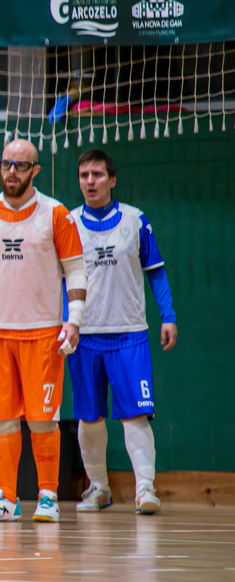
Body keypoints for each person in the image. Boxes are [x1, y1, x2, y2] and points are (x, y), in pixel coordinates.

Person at [0, 139, 86, 523]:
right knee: (1, 419)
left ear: (35, 170)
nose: (11, 172)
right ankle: (6, 498)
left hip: (42, 332)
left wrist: (74, 319)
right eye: (6, 164)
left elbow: (76, 270)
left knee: (42, 419)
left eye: (21, 165)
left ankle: (48, 496)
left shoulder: (56, 214)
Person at [70, 149, 177, 515]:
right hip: (84, 335)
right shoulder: (68, 223)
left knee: (135, 415)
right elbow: (57, 279)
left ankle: (145, 489)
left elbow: (156, 271)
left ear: (112, 179)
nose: (90, 181)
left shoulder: (135, 220)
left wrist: (168, 315)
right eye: (84, 175)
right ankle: (99, 489)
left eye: (97, 174)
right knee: (89, 417)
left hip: (129, 334)